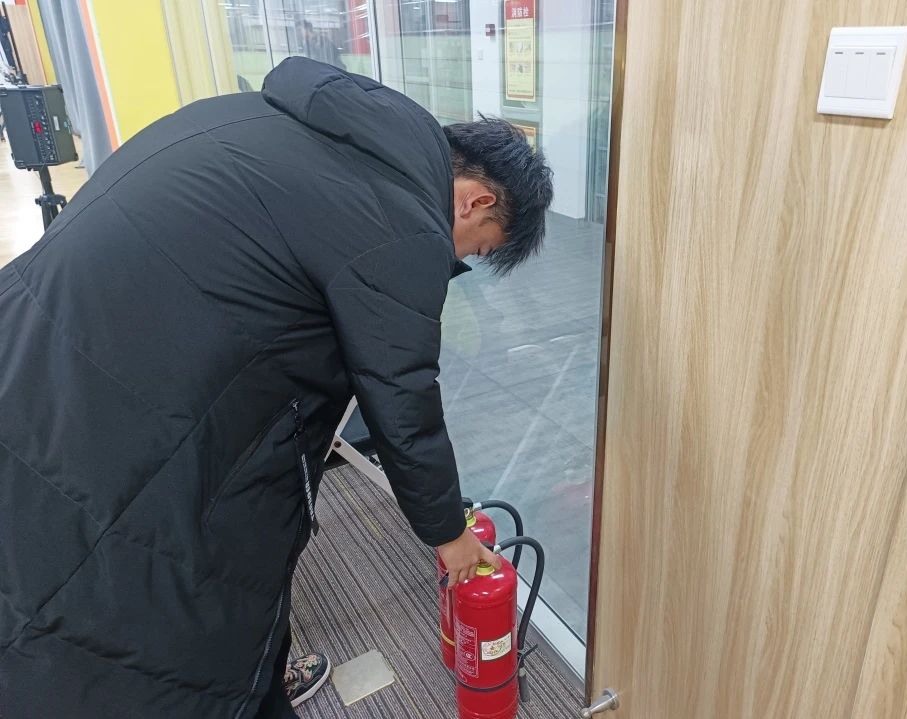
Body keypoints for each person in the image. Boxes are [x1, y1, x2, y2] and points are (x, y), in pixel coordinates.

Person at [0, 56, 553, 718]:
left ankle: (259, 670)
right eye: (480, 247)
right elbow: (404, 401)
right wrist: (448, 534)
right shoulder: (402, 217)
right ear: (476, 201)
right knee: (146, 595)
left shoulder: (280, 119)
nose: (460, 258)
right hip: (123, 403)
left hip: (36, 337)